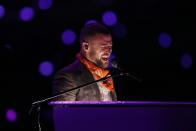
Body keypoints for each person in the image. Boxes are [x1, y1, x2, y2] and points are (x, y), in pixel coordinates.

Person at [52, 23, 117, 101]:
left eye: (110, 46)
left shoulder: (108, 77)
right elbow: (64, 113)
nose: (109, 51)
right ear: (85, 47)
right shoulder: (67, 77)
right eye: (104, 46)